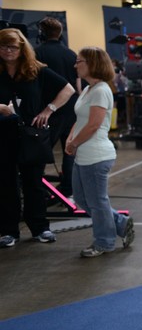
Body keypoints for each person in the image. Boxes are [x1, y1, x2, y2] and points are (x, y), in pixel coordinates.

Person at [0, 28, 75, 248]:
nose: (8, 51)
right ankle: (8, 231)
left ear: (22, 48)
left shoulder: (36, 71)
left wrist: (48, 110)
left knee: (33, 182)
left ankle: (40, 227)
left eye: (13, 47)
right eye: (3, 46)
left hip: (31, 135)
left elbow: (68, 89)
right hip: (3, 135)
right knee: (5, 184)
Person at [65, 46, 134, 257]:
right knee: (83, 201)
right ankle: (121, 224)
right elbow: (81, 120)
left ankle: (104, 242)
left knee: (97, 202)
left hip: (96, 155)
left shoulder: (102, 90)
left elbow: (94, 125)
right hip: (83, 155)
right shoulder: (87, 90)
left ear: (92, 64)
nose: (75, 65)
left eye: (79, 61)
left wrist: (74, 143)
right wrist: (70, 138)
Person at [35, 17, 80, 197]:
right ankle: (69, 190)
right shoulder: (71, 54)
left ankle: (37, 190)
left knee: (38, 153)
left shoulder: (37, 53)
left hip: (50, 110)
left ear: (41, 33)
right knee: (69, 151)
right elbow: (78, 86)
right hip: (72, 109)